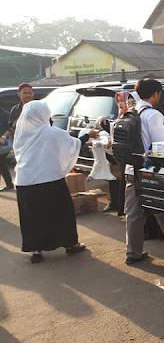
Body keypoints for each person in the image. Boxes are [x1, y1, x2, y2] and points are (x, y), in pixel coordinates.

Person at [13, 101, 99, 263]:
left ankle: (36, 250)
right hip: (48, 180)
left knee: (32, 217)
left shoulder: (21, 133)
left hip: (24, 182)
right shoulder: (50, 132)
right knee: (62, 213)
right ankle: (70, 245)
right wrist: (88, 135)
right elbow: (73, 144)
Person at [124, 78, 164, 265]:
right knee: (163, 209)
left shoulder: (130, 112)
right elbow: (161, 146)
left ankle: (133, 252)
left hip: (131, 168)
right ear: (156, 94)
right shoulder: (153, 115)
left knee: (133, 213)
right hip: (149, 170)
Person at [0, 109, 13, 191]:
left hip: (3, 143)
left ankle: (9, 184)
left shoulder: (5, 114)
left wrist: (3, 137)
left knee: (1, 163)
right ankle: (9, 184)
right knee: (2, 164)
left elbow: (11, 128)